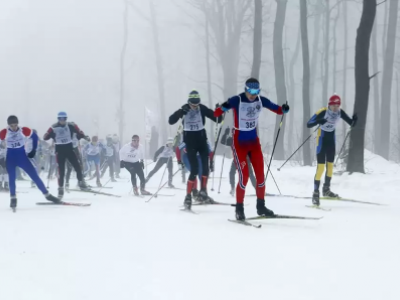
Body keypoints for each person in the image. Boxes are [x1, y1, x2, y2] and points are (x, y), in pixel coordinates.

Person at [214, 78, 289, 220]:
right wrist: (222, 107)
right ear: (245, 89)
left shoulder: (261, 101)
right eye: (250, 91)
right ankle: (239, 208)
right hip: (239, 143)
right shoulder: (237, 100)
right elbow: (216, 113)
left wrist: (283, 109)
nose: (253, 94)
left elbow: (277, 109)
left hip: (253, 142)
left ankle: (261, 206)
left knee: (261, 176)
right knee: (244, 177)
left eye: (256, 91)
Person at [169, 90, 223, 209]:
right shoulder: (184, 109)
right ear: (189, 102)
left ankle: (203, 190)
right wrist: (179, 113)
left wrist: (219, 111)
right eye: (192, 104)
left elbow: (218, 119)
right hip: (190, 142)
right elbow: (171, 120)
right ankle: (188, 196)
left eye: (196, 104)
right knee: (194, 170)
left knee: (205, 168)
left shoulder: (202, 108)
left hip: (202, 140)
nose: (194, 106)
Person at [307, 94, 357, 206]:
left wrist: (354, 120)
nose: (335, 108)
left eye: (337, 105)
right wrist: (319, 120)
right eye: (333, 105)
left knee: (330, 166)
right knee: (320, 167)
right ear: (329, 105)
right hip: (322, 140)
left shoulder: (340, 112)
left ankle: (326, 190)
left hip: (331, 141)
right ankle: (315, 193)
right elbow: (308, 124)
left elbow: (350, 123)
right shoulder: (323, 111)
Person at [0, 115, 60, 209]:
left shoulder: (24, 130)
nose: (14, 127)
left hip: (22, 157)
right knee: (12, 178)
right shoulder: (4, 132)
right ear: (8, 125)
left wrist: (33, 150)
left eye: (15, 125)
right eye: (11, 125)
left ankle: (47, 195)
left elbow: (35, 137)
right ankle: (13, 198)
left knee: (34, 176)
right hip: (10, 158)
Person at [43, 111, 90, 199]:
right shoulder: (53, 127)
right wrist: (49, 134)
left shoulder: (71, 125)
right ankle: (60, 189)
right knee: (61, 171)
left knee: (77, 166)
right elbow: (45, 137)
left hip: (69, 149)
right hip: (59, 151)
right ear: (58, 119)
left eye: (64, 119)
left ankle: (81, 182)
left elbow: (79, 132)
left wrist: (85, 137)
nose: (62, 121)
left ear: (66, 119)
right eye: (60, 119)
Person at [220, 126, 257, 196]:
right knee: (231, 173)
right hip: (236, 160)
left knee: (249, 174)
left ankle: (257, 189)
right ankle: (233, 188)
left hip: (245, 160)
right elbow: (222, 142)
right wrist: (225, 134)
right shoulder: (232, 140)